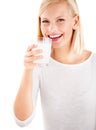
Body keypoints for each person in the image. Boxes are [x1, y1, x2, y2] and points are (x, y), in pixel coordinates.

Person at [13, 0, 96, 129]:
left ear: (75, 21)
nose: (51, 29)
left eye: (60, 20)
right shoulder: (39, 62)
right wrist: (28, 70)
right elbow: (22, 120)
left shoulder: (93, 63)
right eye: (45, 21)